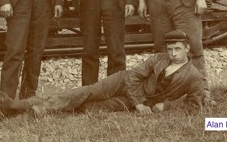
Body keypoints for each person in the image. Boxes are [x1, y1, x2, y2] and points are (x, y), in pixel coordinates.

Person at [31, 30, 204, 116]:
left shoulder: (193, 76)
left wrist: (166, 106)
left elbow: (194, 106)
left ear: (187, 48)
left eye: (178, 49)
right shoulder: (159, 58)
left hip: (134, 99)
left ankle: (49, 102)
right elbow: (133, 76)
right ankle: (45, 107)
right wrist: (139, 103)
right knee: (91, 91)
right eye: (170, 49)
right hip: (123, 82)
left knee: (95, 108)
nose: (173, 54)